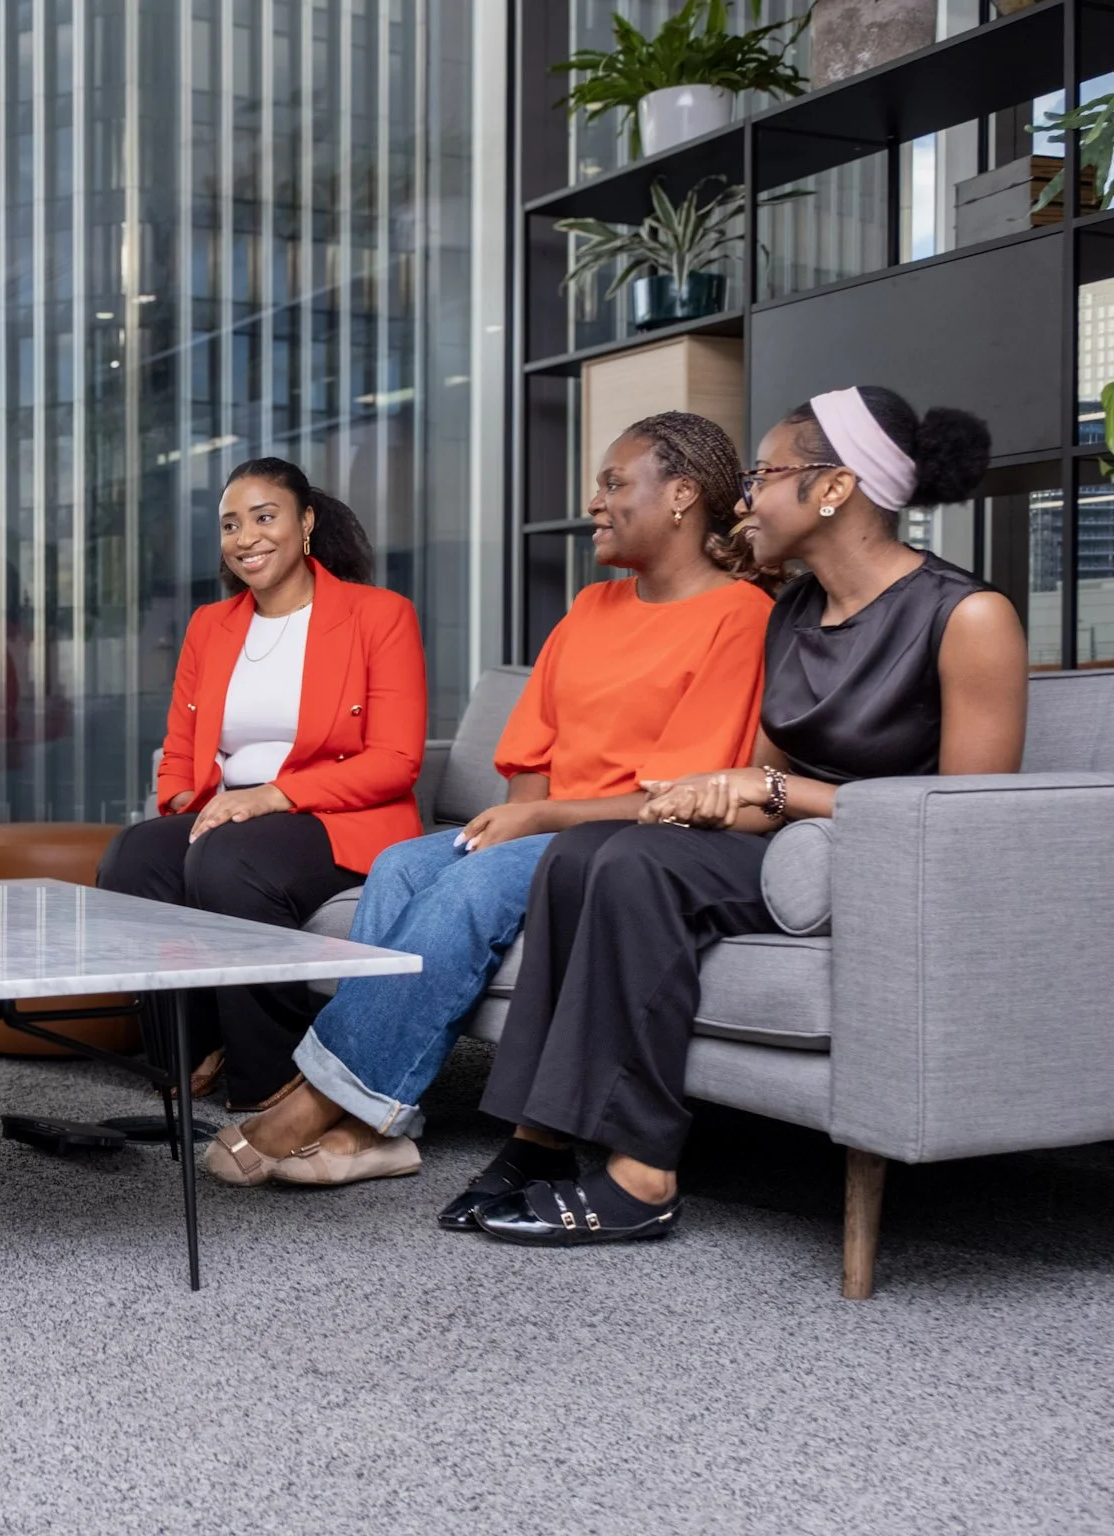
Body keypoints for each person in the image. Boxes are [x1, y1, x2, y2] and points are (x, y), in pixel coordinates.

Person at [453, 386, 1028, 1248]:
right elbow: (765, 767)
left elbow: (965, 821)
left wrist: (773, 794)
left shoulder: (968, 616)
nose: (746, 495)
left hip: (869, 867)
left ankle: (643, 1174)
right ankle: (541, 1139)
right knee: (589, 852)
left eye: (765, 473)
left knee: (631, 865)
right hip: (782, 842)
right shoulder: (792, 612)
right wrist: (713, 789)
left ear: (833, 489)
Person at [206, 413, 774, 1188]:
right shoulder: (588, 609)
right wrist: (521, 813)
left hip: (626, 839)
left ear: (681, 496)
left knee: (476, 878)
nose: (595, 502)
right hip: (548, 823)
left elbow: (675, 795)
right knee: (406, 865)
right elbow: (531, 754)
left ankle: (318, 1103)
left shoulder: (741, 618)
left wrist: (534, 822)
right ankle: (384, 1127)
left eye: (613, 483)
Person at [96, 458, 426, 1110]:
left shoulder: (379, 615)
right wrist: (184, 806)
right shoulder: (210, 626)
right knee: (132, 858)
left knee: (229, 862)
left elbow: (396, 759)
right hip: (233, 812)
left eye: (264, 516)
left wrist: (272, 796)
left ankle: (269, 1084)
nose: (245, 536)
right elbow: (180, 745)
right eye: (229, 524)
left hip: (333, 818)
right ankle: (191, 1052)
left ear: (305, 523)